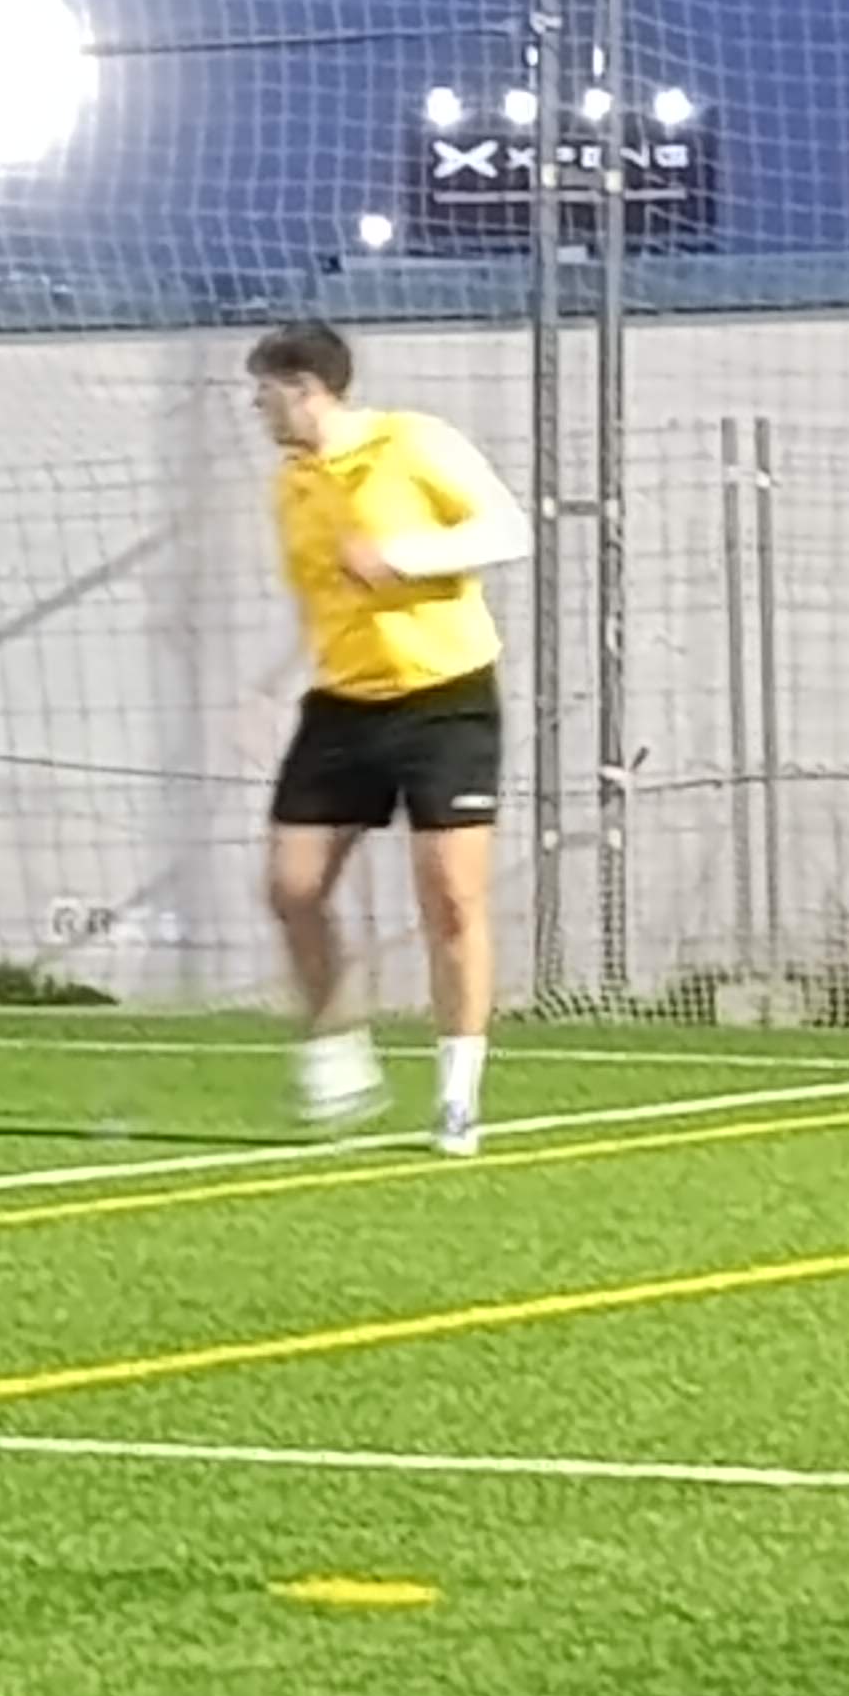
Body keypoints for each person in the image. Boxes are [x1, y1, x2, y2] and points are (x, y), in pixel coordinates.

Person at [247, 320, 529, 1156]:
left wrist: (405, 556)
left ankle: (458, 1094)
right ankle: (339, 1051)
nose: (257, 409)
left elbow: (508, 529)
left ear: (306, 390)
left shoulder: (412, 442)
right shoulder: (291, 486)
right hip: (343, 704)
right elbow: (330, 603)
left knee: (450, 899)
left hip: (445, 700)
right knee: (293, 887)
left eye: (265, 393)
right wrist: (272, 684)